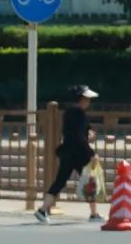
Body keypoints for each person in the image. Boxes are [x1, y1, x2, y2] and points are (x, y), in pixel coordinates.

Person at [35, 85, 101, 223]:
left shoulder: (71, 111)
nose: (89, 102)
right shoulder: (78, 112)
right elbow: (79, 135)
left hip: (68, 151)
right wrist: (91, 153)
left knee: (60, 181)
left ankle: (42, 210)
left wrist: (89, 132)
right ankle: (94, 214)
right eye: (87, 99)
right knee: (89, 181)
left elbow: (82, 130)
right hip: (78, 153)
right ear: (82, 99)